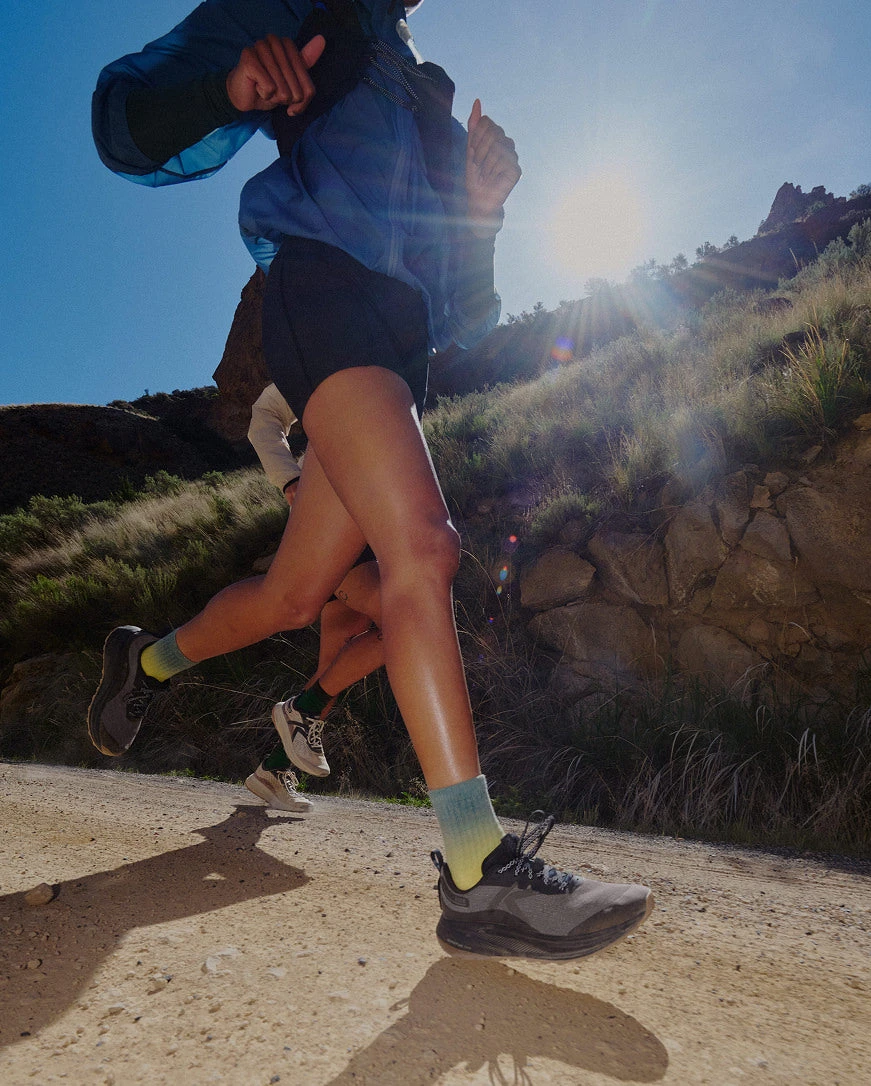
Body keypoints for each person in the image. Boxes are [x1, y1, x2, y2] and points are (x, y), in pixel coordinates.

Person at [88, 0, 653, 959]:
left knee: (291, 595)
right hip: (321, 290)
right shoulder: (297, 7)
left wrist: (485, 206)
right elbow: (125, 129)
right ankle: (477, 869)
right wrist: (229, 88)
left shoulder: (428, 92)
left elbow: (469, 310)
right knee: (422, 548)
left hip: (396, 342)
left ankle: (143, 664)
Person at [244, 381, 386, 813]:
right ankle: (299, 711)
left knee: (333, 669)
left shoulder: (401, 362)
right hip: (337, 526)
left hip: (369, 526)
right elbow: (264, 415)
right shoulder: (329, 357)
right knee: (408, 623)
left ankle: (272, 771)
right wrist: (289, 479)